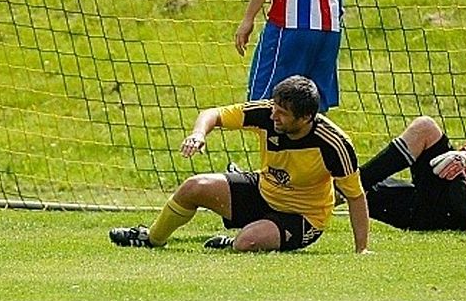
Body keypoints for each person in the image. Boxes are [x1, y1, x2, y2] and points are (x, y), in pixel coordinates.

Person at [109, 75, 370, 253]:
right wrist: (199, 134)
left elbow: (355, 197)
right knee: (193, 187)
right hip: (263, 191)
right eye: (275, 107)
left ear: (306, 117)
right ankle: (151, 238)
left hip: (303, 218)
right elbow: (213, 114)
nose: (274, 116)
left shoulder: (334, 144)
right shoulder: (267, 114)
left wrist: (362, 249)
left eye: (282, 113)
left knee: (248, 242)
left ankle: (235, 241)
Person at [359, 58, 466, 231]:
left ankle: (348, 182)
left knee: (425, 127)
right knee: (364, 190)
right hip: (442, 215)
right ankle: (339, 189)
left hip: (463, 206)